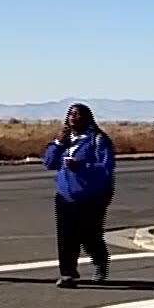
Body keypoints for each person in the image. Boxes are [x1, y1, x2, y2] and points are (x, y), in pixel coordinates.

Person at [42, 102, 115, 288]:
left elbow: (105, 169)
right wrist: (58, 143)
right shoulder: (65, 141)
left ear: (87, 118)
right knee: (66, 236)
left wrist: (82, 167)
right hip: (66, 194)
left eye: (78, 114)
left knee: (89, 234)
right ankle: (68, 273)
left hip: (93, 195)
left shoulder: (98, 140)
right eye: (71, 115)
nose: (74, 118)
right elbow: (49, 163)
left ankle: (100, 262)